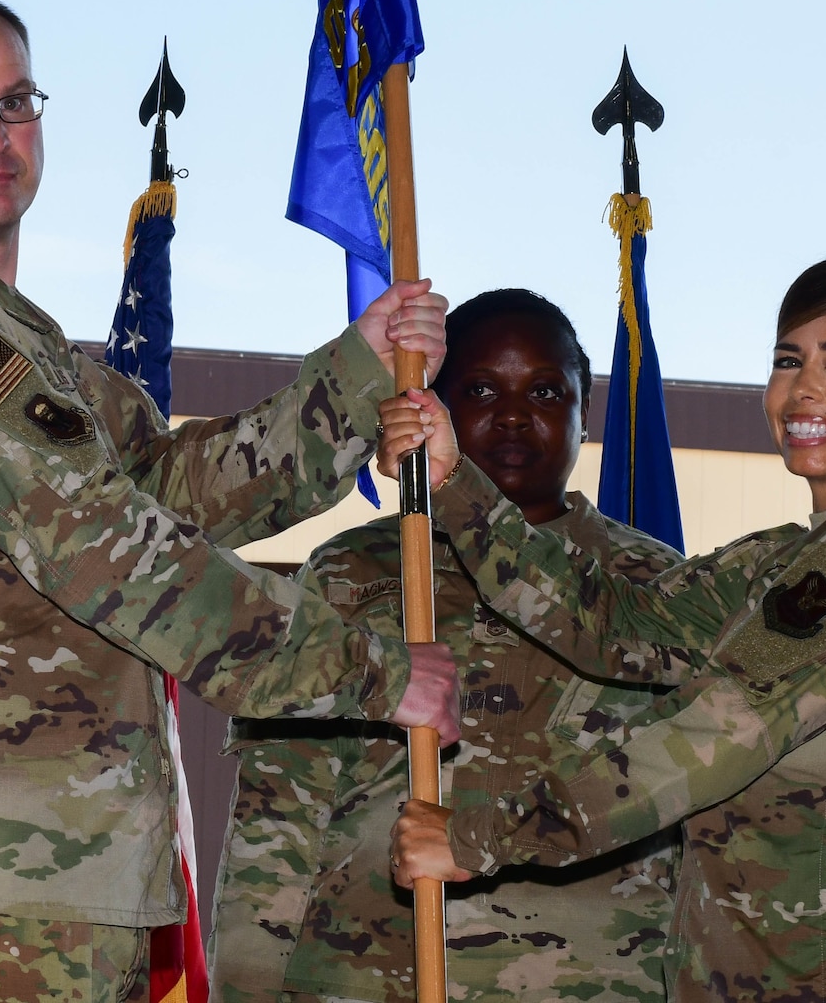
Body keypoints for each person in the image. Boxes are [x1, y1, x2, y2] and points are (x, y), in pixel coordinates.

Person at [0, 0, 459, 1003]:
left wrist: (356, 375)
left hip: (49, 899)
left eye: (13, 103)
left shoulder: (24, 348)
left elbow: (166, 495)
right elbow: (118, 555)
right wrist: (369, 672)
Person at [383, 254, 826, 1002]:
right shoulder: (791, 558)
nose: (803, 389)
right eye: (788, 360)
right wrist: (454, 483)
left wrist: (479, 837)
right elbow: (615, 620)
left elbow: (709, 738)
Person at [206, 290, 686, 1003]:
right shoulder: (353, 572)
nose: (517, 414)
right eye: (482, 388)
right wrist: (244, 986)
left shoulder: (654, 585)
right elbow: (280, 811)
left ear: (587, 419)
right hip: (366, 976)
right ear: (432, 406)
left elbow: (694, 811)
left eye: (549, 391)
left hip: (596, 977)